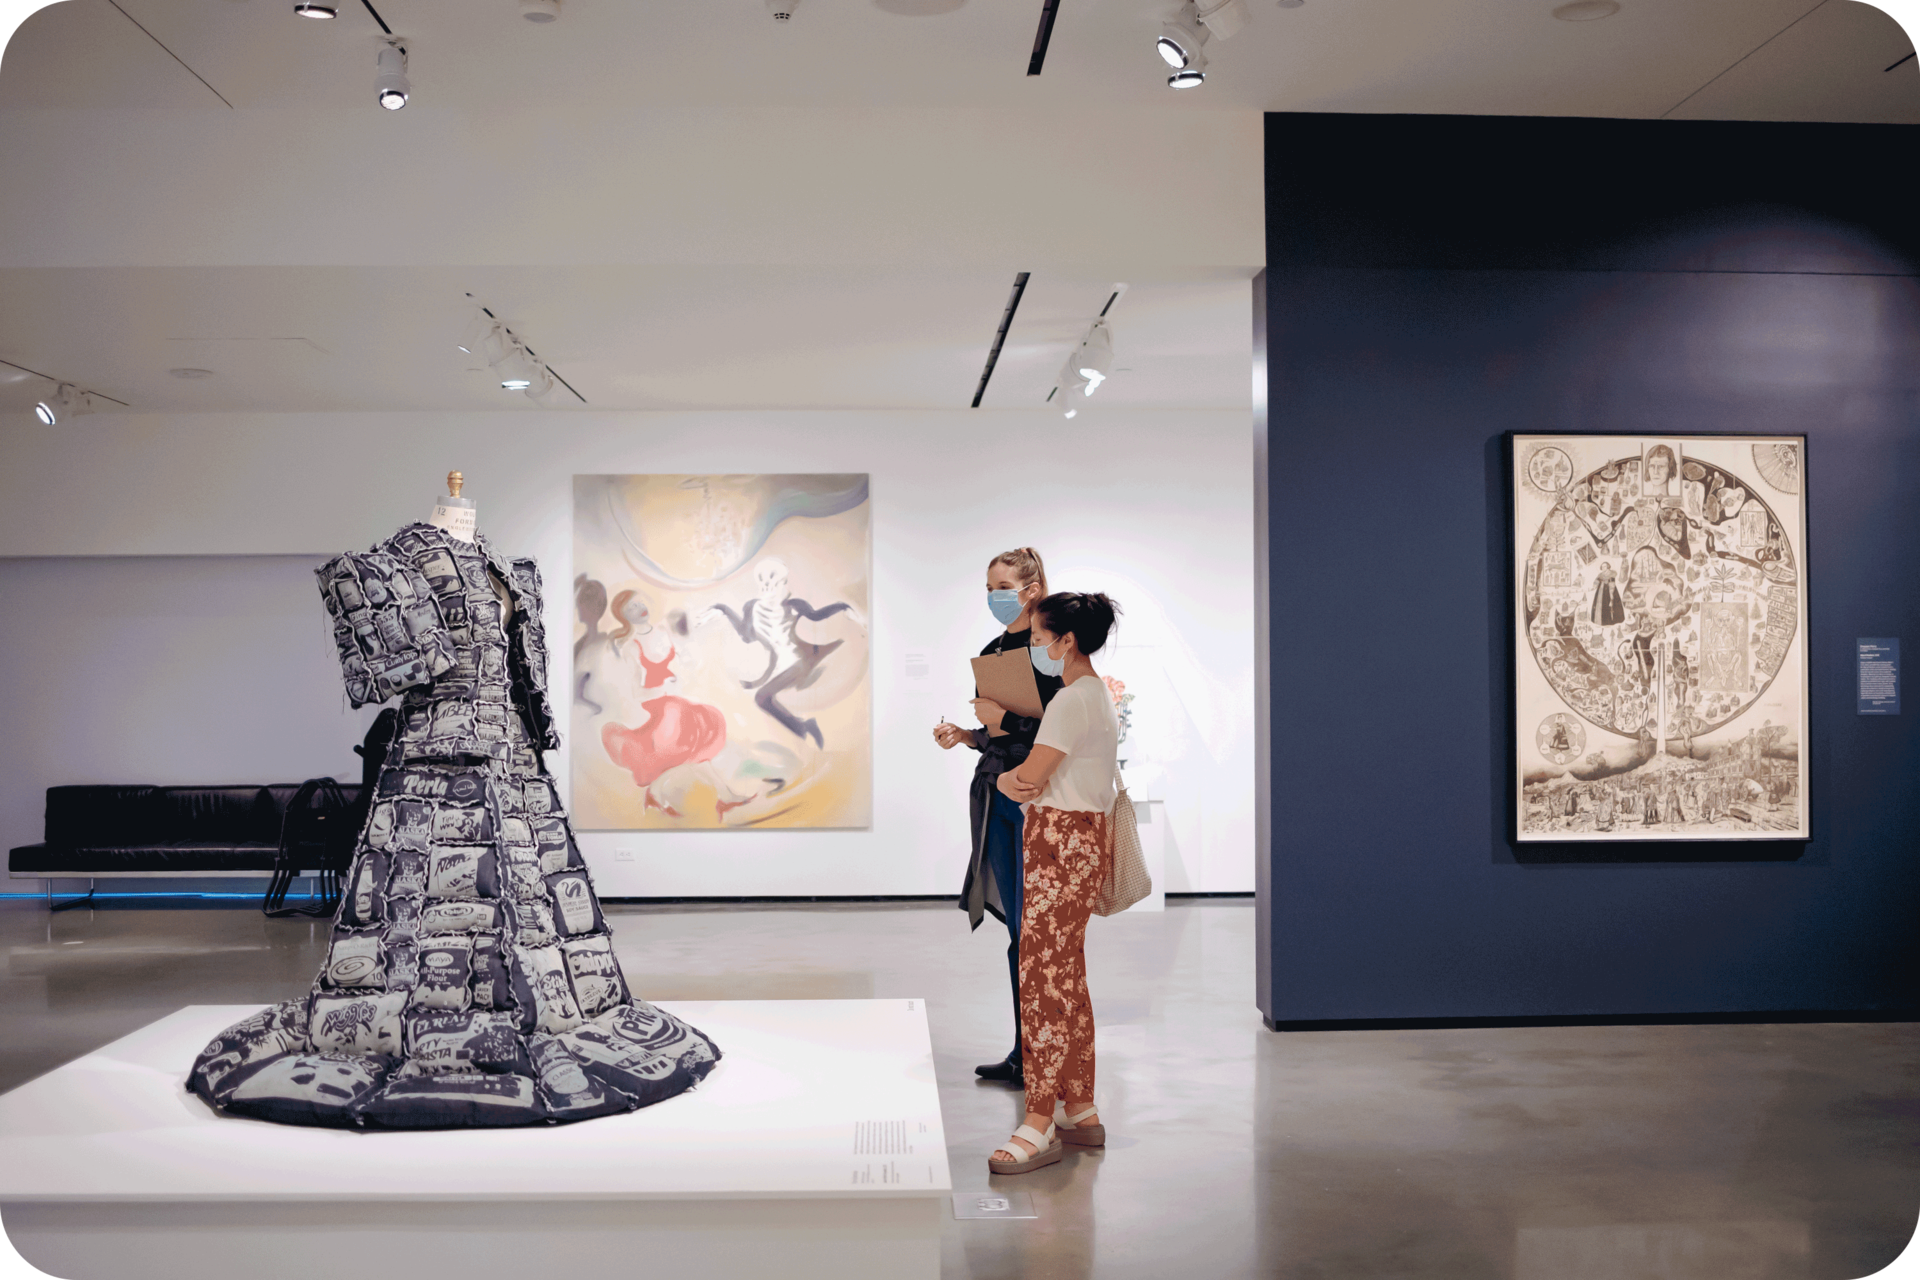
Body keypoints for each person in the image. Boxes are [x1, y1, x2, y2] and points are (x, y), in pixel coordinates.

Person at [988, 591, 1122, 1175]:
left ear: (1066, 641)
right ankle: (1080, 1107)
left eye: (1040, 638)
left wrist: (1004, 781)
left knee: (1041, 978)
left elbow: (1028, 777)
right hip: (1081, 840)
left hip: (1056, 844)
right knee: (1066, 972)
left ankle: (1039, 1118)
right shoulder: (1100, 696)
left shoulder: (1071, 701)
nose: (1036, 647)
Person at [933, 548, 1062, 1087]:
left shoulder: (1050, 648)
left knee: (1038, 933)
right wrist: (969, 736)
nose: (993, 596)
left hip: (1036, 796)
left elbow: (1058, 728)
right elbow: (1006, 734)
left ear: (1031, 590)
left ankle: (1043, 1053)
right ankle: (1023, 1049)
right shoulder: (995, 648)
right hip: (1000, 796)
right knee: (1019, 931)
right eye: (989, 587)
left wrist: (1002, 719)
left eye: (1002, 585)